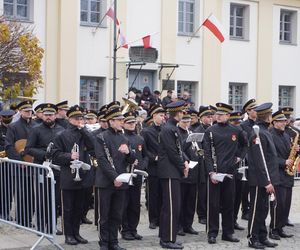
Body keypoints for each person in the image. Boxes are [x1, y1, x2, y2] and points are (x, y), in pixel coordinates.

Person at [203, 103, 247, 244]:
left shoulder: (236, 130)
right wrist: (210, 172)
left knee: (229, 204)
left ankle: (228, 232)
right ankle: (212, 233)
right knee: (213, 205)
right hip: (215, 173)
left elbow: (245, 144)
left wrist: (239, 156)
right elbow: (207, 153)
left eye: (221, 115)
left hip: (230, 172)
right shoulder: (210, 130)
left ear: (228, 116)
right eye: (217, 114)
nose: (218, 116)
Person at [94, 106, 136, 250]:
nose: (121, 122)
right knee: (104, 216)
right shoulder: (101, 137)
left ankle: (114, 242)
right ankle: (104, 243)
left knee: (117, 214)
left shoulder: (124, 138)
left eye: (121, 120)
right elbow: (101, 160)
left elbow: (132, 160)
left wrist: (129, 152)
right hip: (106, 182)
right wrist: (114, 178)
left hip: (121, 181)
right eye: (118, 120)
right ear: (111, 121)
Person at [52, 105, 94, 245]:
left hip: (83, 174)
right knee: (68, 208)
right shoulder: (61, 135)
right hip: (68, 175)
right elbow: (55, 155)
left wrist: (84, 130)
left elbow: (93, 145)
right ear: (69, 119)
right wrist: (70, 156)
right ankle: (68, 234)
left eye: (81, 118)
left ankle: (77, 233)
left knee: (79, 207)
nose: (79, 120)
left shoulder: (84, 133)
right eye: (76, 118)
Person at [25, 103, 64, 234]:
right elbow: (28, 149)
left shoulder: (61, 130)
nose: (48, 117)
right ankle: (41, 226)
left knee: (56, 198)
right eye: (46, 115)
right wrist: (44, 154)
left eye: (51, 115)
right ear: (42, 115)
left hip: (57, 168)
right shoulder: (36, 129)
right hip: (42, 168)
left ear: (55, 115)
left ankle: (53, 225)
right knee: (43, 198)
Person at [247, 102, 279, 249]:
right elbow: (259, 160)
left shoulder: (265, 131)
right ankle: (252, 238)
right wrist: (266, 181)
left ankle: (262, 236)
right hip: (259, 180)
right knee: (255, 210)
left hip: (267, 178)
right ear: (267, 118)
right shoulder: (257, 132)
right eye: (271, 115)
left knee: (264, 209)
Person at [158, 100, 189, 249]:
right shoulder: (169, 129)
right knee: (171, 207)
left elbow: (179, 150)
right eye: (182, 112)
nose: (183, 114)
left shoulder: (172, 128)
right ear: (178, 113)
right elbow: (173, 152)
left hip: (172, 171)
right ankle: (167, 239)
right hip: (169, 171)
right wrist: (182, 165)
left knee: (171, 206)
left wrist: (185, 161)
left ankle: (166, 237)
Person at [5, 100, 35, 227]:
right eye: (26, 111)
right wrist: (19, 161)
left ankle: (28, 219)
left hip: (34, 164)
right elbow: (9, 146)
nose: (29, 113)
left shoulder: (36, 125)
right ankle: (21, 220)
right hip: (20, 167)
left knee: (32, 194)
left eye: (30, 111)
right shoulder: (13, 126)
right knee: (22, 193)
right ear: (21, 112)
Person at [121, 111, 149, 241]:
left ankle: (133, 229)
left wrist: (142, 166)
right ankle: (125, 230)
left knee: (135, 204)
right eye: (129, 122)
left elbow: (145, 156)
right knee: (124, 204)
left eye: (133, 122)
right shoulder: (121, 138)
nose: (132, 124)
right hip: (125, 175)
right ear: (123, 124)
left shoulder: (140, 138)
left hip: (137, 175)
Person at [269, 110, 294, 240]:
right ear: (274, 122)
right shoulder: (270, 135)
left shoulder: (285, 135)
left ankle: (280, 227)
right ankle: (273, 229)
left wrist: (295, 151)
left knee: (286, 204)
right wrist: (283, 162)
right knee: (278, 204)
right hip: (277, 174)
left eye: (284, 121)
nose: (284, 123)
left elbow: (289, 151)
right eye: (281, 121)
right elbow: (270, 157)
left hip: (287, 175)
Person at [141, 104, 166, 230]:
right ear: (154, 116)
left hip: (164, 167)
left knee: (163, 194)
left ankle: (161, 219)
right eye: (161, 115)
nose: (163, 118)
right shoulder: (146, 131)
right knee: (153, 195)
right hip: (153, 167)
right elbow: (144, 150)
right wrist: (153, 158)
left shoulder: (165, 129)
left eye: (164, 115)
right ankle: (153, 219)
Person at [177, 111, 199, 236]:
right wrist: (188, 141)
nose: (186, 124)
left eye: (188, 122)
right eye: (184, 122)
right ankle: (179, 225)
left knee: (191, 201)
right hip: (183, 171)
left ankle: (188, 225)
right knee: (181, 200)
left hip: (194, 170)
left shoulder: (191, 132)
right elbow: (179, 150)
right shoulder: (177, 133)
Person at [228, 111, 247, 231]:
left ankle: (233, 220)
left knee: (238, 196)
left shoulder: (240, 132)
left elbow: (245, 145)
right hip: (227, 168)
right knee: (228, 198)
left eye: (238, 122)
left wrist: (240, 156)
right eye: (235, 122)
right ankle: (228, 222)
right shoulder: (226, 131)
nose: (237, 124)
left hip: (238, 167)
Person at [281, 106, 299, 227]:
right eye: (285, 118)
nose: (287, 120)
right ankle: (277, 220)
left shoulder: (294, 132)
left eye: (288, 118)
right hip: (280, 165)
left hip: (291, 166)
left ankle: (285, 217)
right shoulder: (275, 130)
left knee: (288, 195)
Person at [240, 99, 258, 221]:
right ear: (248, 111)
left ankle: (253, 208)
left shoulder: (259, 124)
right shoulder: (243, 125)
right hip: (247, 159)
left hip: (258, 158)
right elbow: (244, 143)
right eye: (254, 109)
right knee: (245, 187)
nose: (256, 112)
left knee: (256, 185)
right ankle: (245, 210)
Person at [0, 109, 15, 220]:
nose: (7, 119)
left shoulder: (14, 128)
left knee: (9, 190)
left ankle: (5, 212)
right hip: (1, 162)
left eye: (9, 117)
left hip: (12, 162)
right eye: (5, 117)